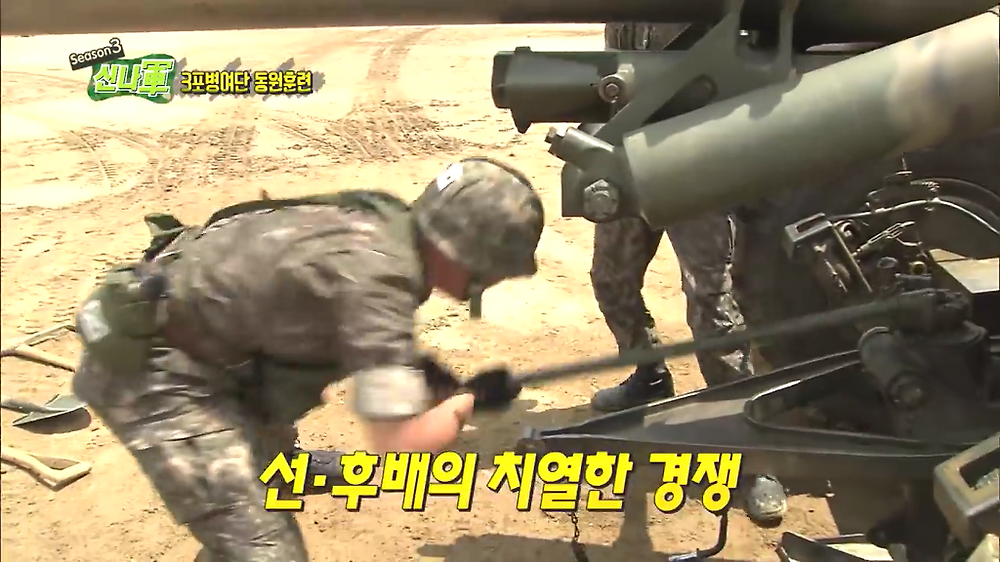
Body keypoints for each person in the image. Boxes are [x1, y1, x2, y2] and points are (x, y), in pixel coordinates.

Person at [71, 157, 543, 562]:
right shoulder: (379, 282)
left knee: (272, 435)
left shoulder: (387, 226)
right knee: (264, 550)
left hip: (217, 346)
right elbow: (403, 446)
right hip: (155, 374)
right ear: (466, 251)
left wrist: (421, 373)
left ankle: (273, 464)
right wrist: (466, 402)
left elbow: (331, 317)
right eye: (496, 268)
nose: (494, 280)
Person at [590, 23, 787, 525]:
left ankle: (750, 452)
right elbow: (613, 77)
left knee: (710, 304)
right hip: (632, 157)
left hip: (696, 160)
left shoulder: (701, 14)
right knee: (611, 277)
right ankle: (650, 376)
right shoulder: (624, 14)